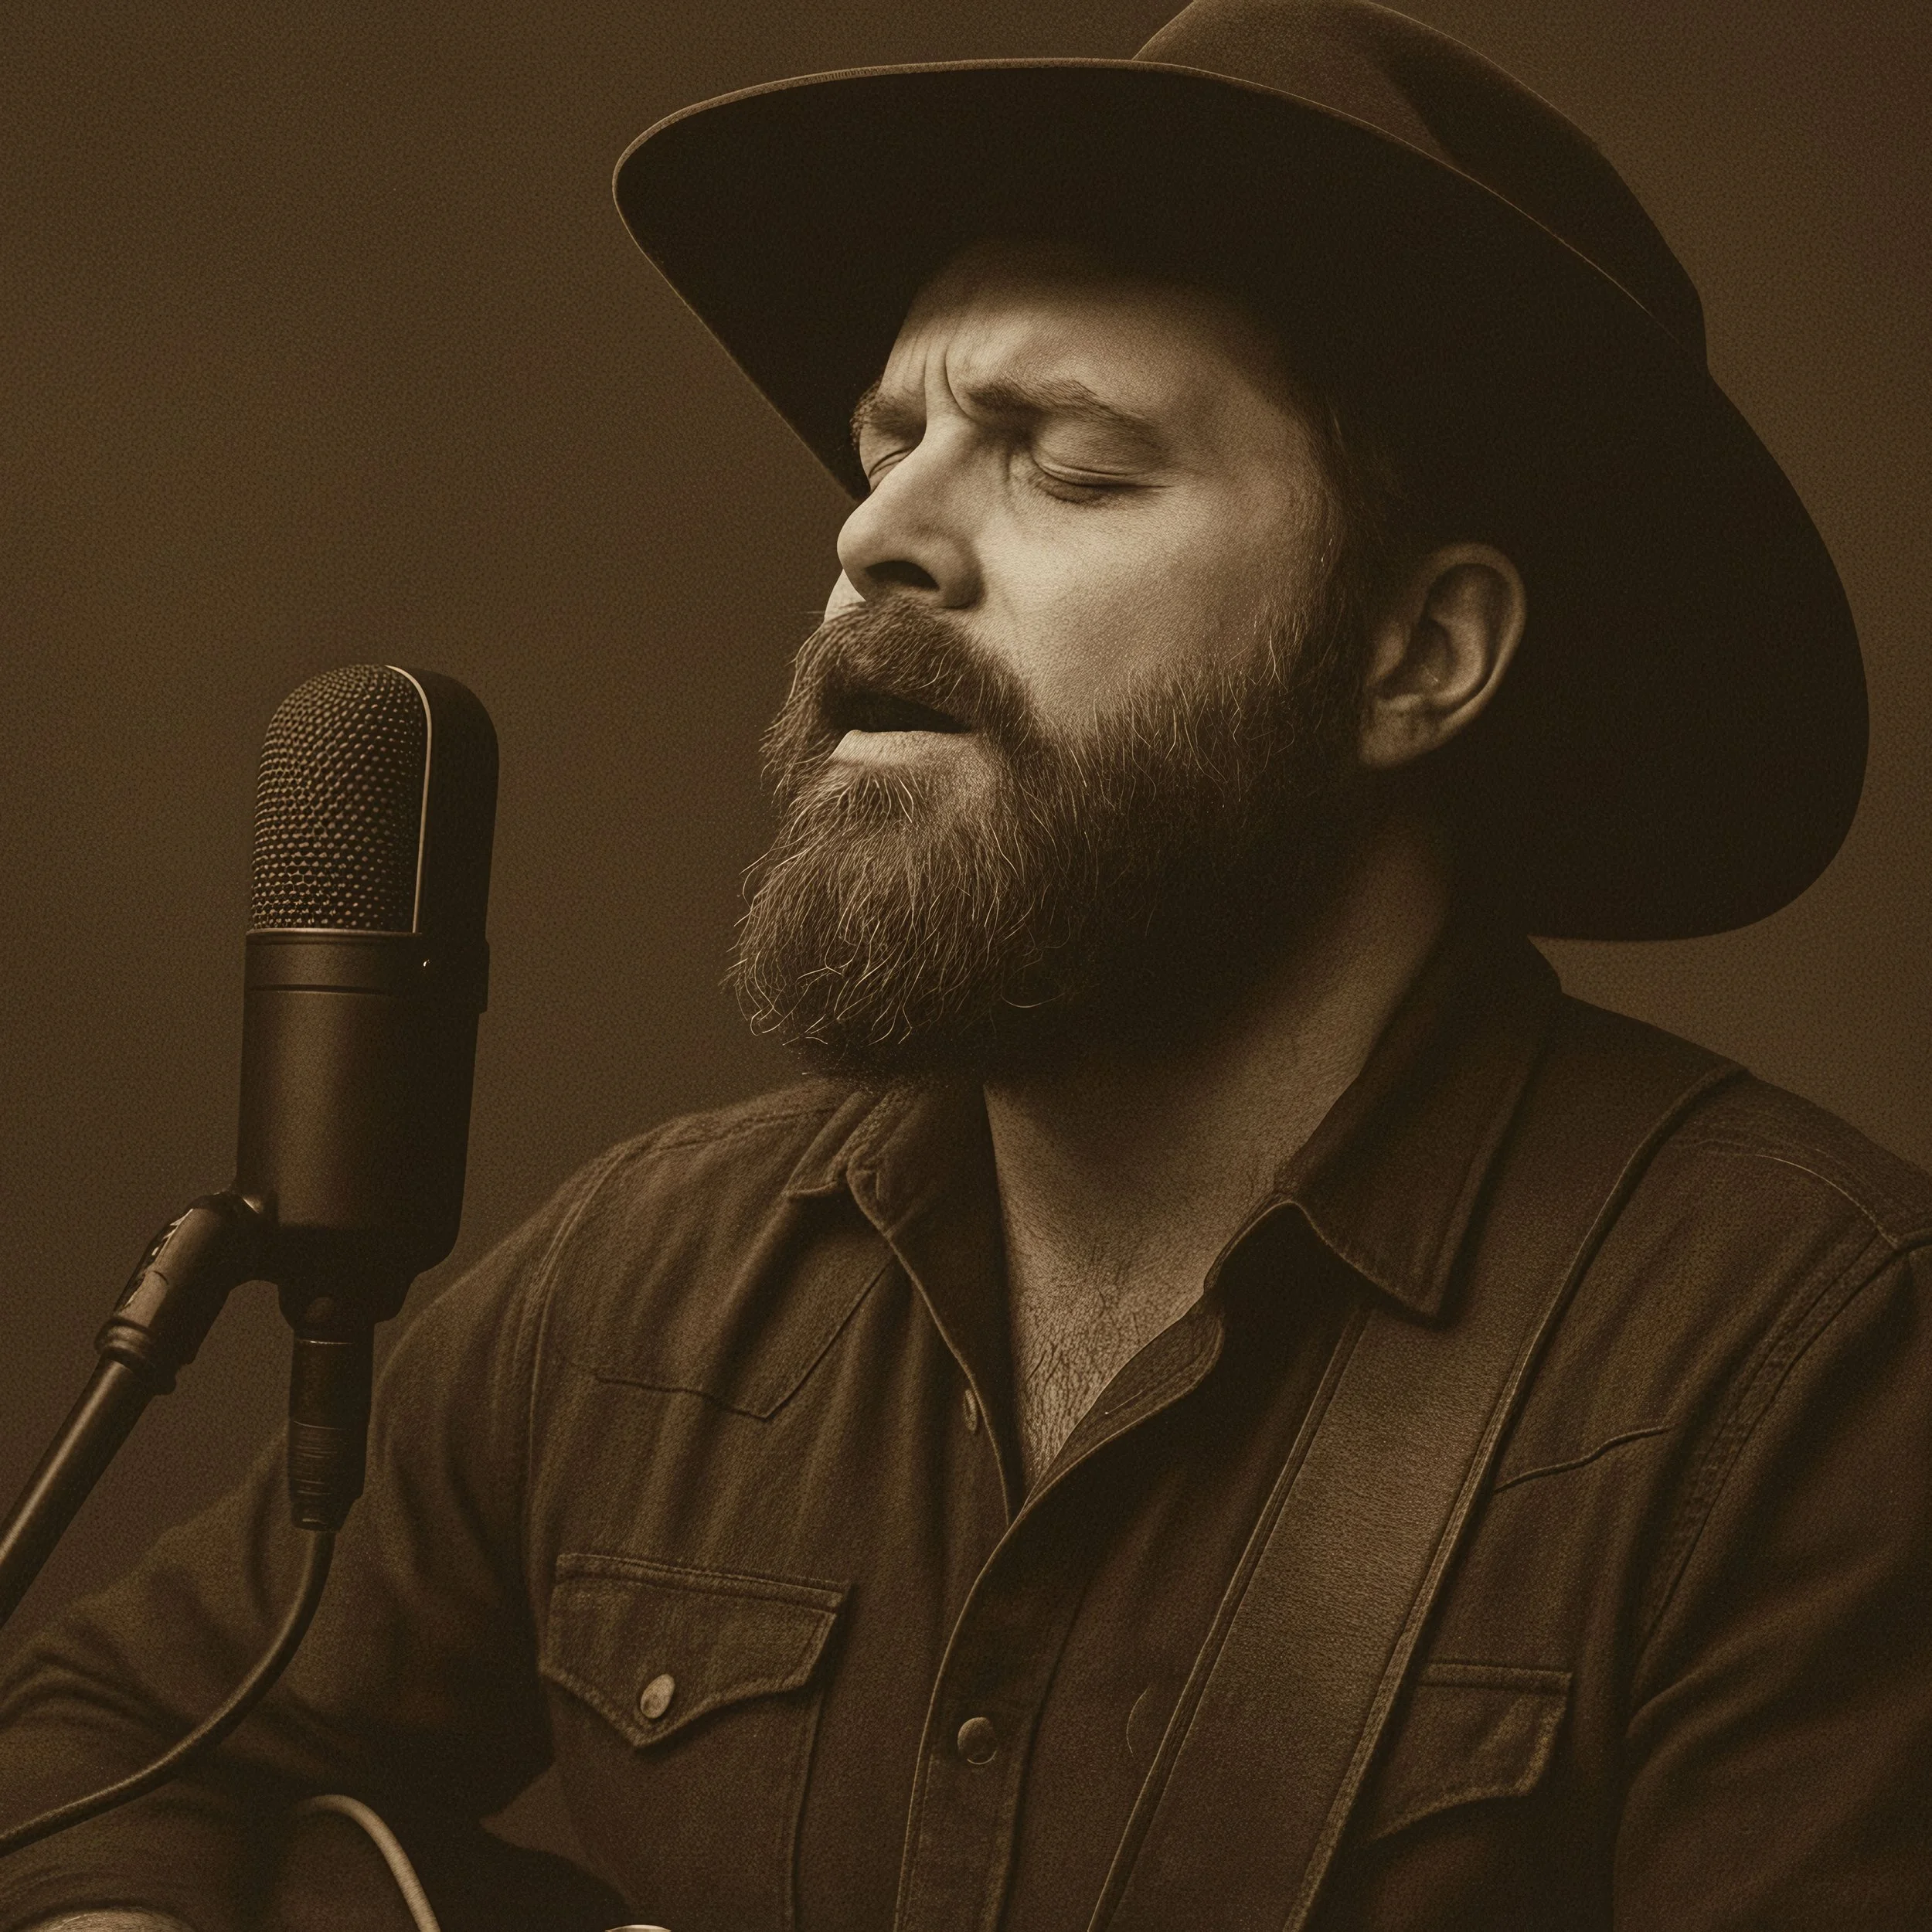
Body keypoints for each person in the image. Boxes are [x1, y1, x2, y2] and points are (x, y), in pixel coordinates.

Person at [1, 2, 1926, 1927]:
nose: (873, 535)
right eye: (886, 443)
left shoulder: (1803, 1375)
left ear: (1416, 658)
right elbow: (84, 1733)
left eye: (1067, 464)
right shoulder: (638, 1292)